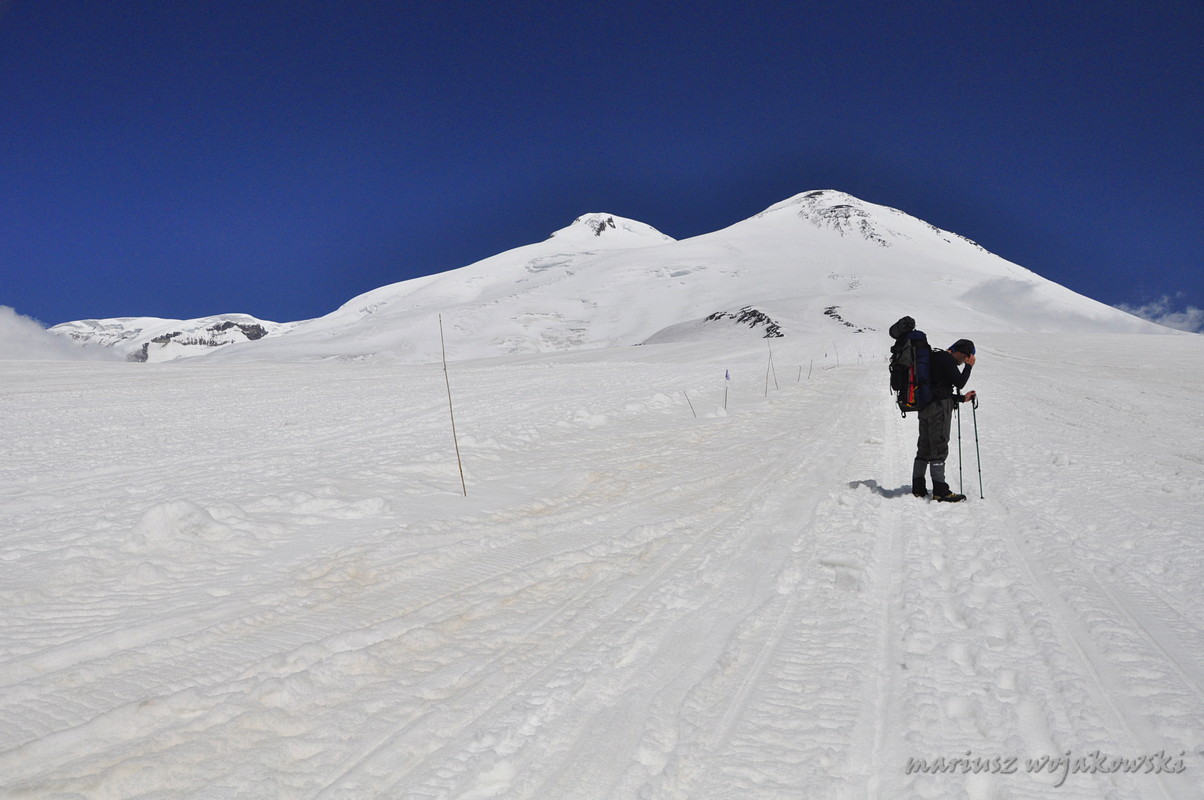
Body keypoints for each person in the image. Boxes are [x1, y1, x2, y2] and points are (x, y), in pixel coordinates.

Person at [913, 339, 977, 502]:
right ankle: (940, 490)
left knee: (924, 446)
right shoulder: (947, 359)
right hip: (939, 410)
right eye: (964, 359)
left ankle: (918, 486)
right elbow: (959, 382)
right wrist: (969, 367)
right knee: (939, 447)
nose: (962, 362)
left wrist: (962, 399)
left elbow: (940, 388)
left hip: (925, 407)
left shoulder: (934, 357)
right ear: (962, 353)